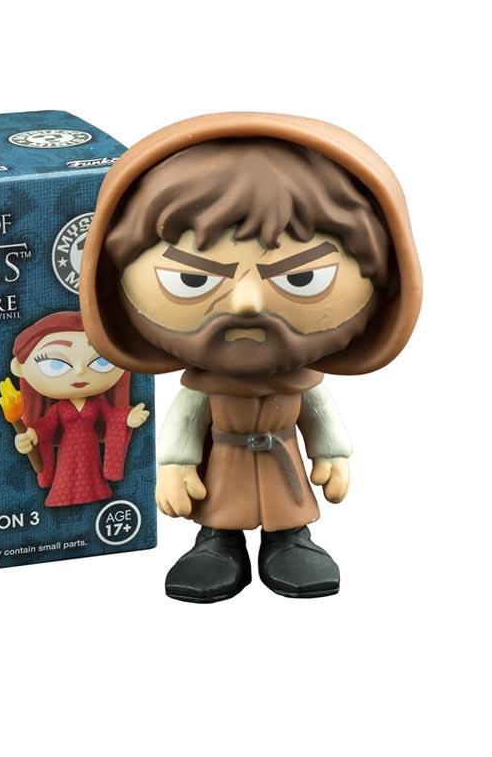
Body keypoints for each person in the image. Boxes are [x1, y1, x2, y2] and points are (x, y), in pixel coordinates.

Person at [80, 113, 422, 601]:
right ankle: (217, 543)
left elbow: (319, 413)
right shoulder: (204, 387)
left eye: (302, 278)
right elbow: (185, 421)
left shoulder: (303, 379)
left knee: (288, 514)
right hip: (224, 462)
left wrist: (332, 452)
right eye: (192, 278)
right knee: (219, 511)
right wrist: (175, 466)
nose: (246, 304)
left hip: (284, 462)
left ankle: (290, 541)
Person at [10, 311, 149, 507]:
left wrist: (127, 417)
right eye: (55, 364)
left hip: (89, 447)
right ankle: (61, 496)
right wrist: (31, 434)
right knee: (66, 472)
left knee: (91, 472)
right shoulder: (59, 408)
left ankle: (96, 491)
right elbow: (46, 425)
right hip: (68, 448)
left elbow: (113, 415)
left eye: (101, 361)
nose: (80, 371)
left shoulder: (96, 404)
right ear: (19, 368)